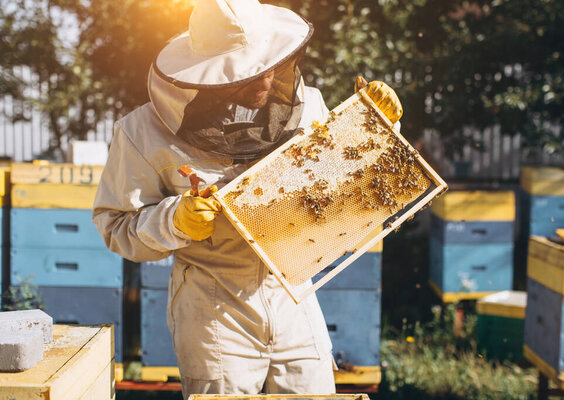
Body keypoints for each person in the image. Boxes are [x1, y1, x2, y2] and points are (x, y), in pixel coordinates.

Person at [92, 0, 401, 398]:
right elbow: (116, 226)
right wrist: (173, 221)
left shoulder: (310, 109)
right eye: (250, 73)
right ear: (209, 74)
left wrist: (375, 132)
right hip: (212, 305)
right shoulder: (142, 133)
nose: (266, 81)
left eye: (271, 65)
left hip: (292, 293)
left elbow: (343, 194)